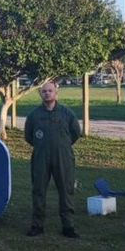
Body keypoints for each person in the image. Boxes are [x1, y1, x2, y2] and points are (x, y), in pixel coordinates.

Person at [23, 81, 82, 238]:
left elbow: (75, 133)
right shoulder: (34, 115)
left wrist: (61, 146)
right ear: (40, 94)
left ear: (56, 93)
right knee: (38, 190)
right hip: (41, 157)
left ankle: (68, 226)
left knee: (66, 190)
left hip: (63, 157)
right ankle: (37, 225)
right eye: (44, 91)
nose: (47, 93)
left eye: (50, 91)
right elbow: (29, 136)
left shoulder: (67, 113)